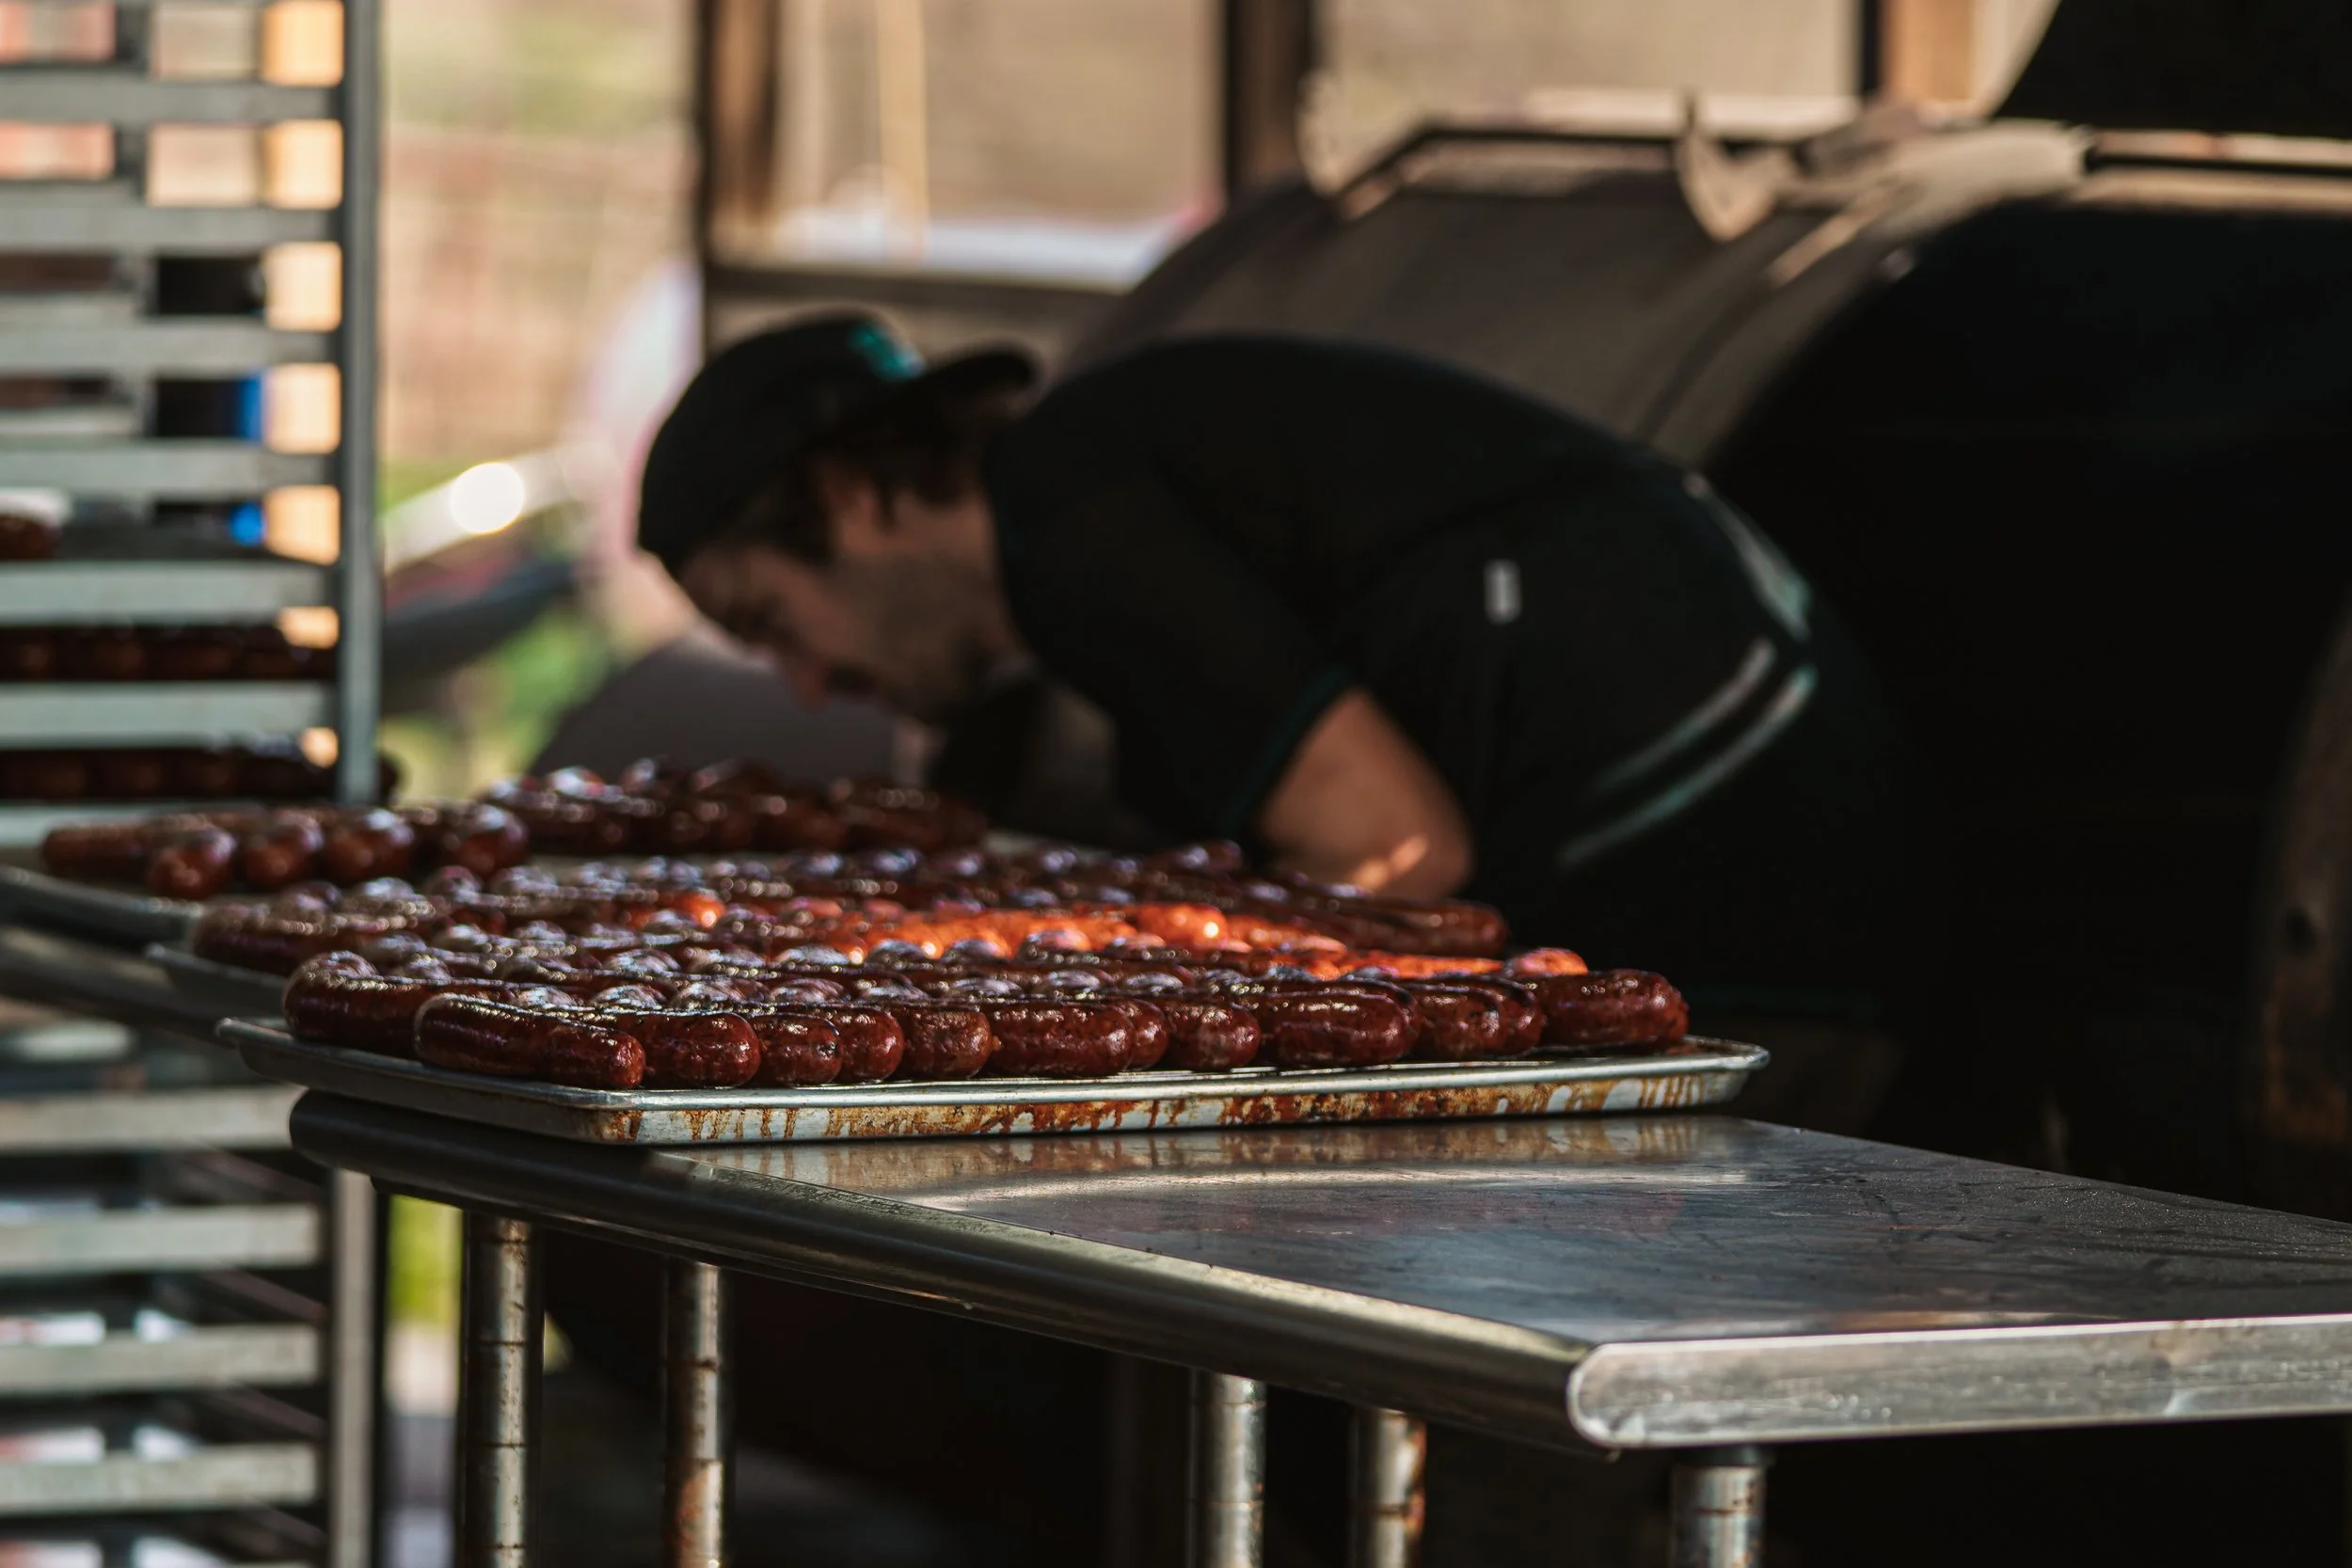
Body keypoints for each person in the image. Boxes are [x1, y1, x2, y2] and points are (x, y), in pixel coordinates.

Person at [631, 311, 1922, 1000]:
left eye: (770, 621)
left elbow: (1394, 855)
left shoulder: (1073, 512)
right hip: (1791, 876)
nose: (802, 683)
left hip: (1744, 927)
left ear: (856, 496)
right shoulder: (1108, 479)